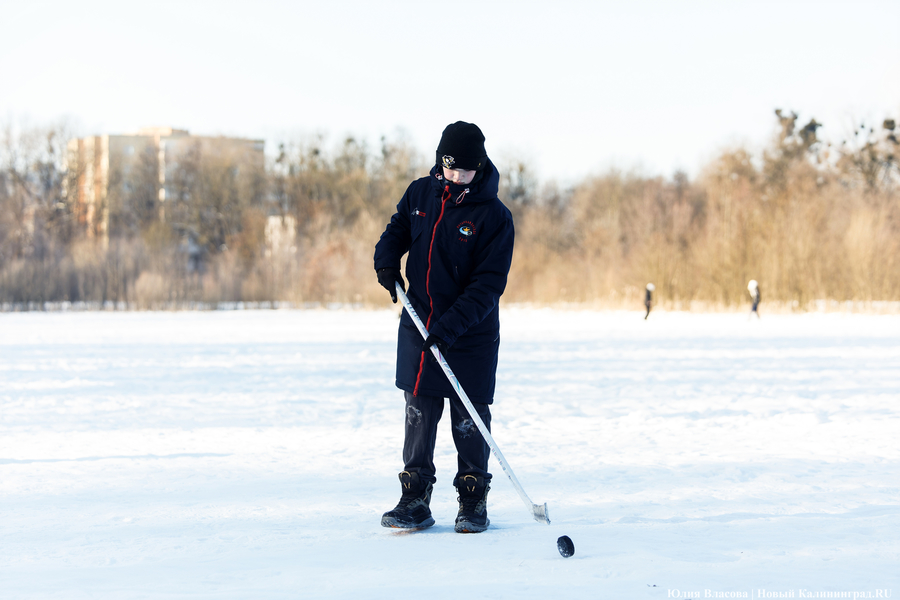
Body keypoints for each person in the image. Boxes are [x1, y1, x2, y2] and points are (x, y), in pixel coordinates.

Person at [373, 121, 515, 534]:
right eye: (448, 168)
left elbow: (487, 285)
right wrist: (386, 259)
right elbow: (399, 228)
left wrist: (449, 328)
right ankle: (414, 497)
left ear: (480, 166)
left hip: (470, 334)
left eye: (463, 171)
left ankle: (473, 500)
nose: (454, 177)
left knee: (468, 416)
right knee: (418, 410)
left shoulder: (494, 217)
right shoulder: (421, 192)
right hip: (420, 322)